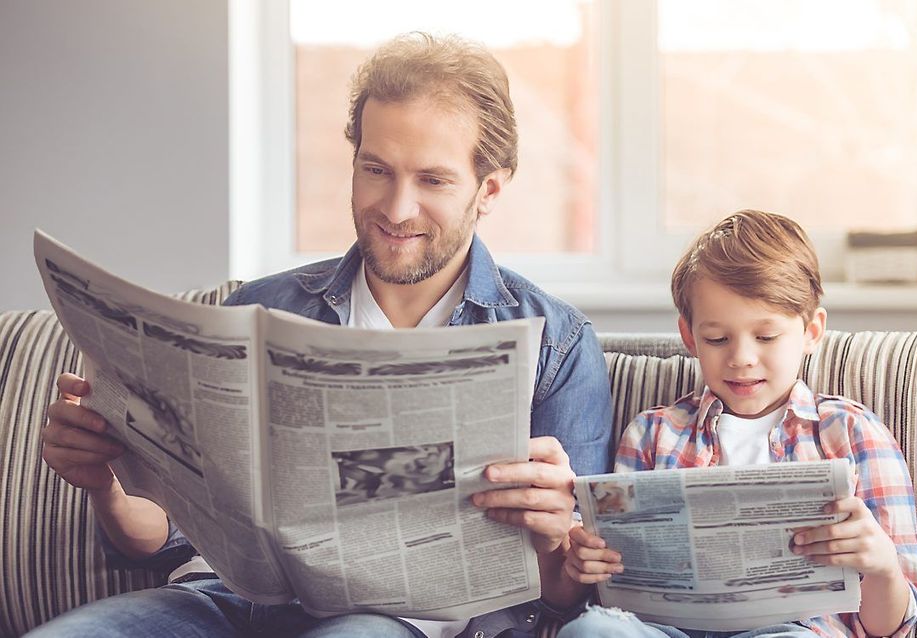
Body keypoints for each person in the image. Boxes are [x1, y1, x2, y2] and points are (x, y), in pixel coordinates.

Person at [32, 32, 612, 638]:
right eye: (375, 170)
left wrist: (553, 534)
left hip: (393, 624)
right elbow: (160, 538)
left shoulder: (555, 345)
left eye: (433, 181)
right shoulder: (259, 309)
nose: (396, 208)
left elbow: (566, 598)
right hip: (223, 604)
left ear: (487, 189)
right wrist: (104, 484)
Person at [551, 211, 917, 638]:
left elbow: (890, 627)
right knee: (592, 630)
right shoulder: (653, 434)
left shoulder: (851, 432)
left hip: (794, 631)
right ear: (689, 337)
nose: (742, 357)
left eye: (766, 337)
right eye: (717, 339)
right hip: (666, 631)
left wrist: (881, 566)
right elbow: (613, 586)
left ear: (811, 331)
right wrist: (590, 565)